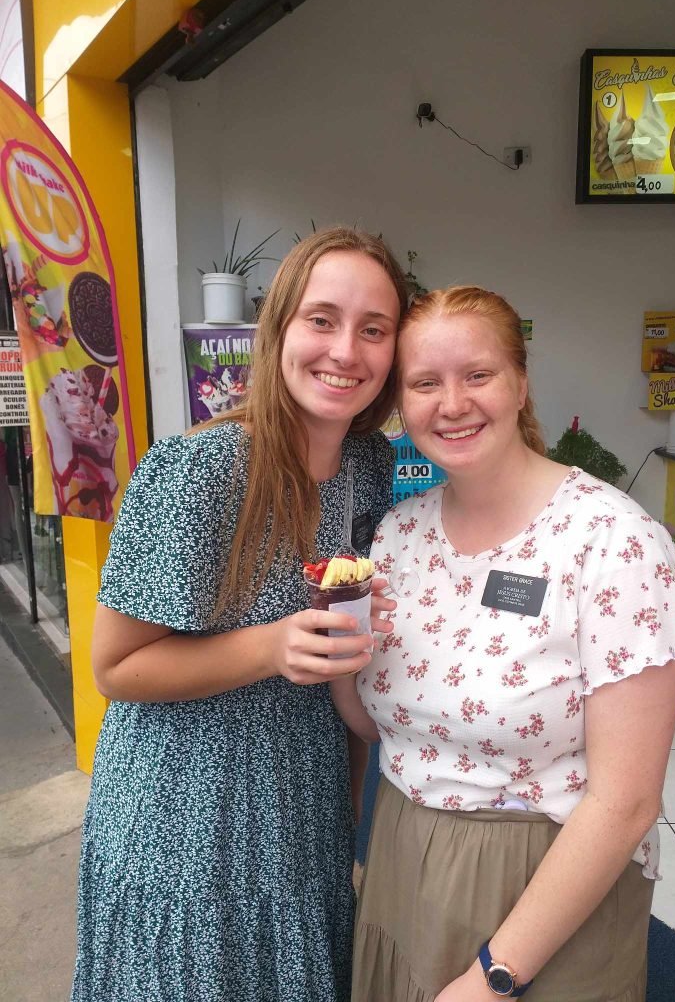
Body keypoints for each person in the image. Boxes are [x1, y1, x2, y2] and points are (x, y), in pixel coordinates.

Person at [332, 286, 675, 1002]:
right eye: (424, 383)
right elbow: (376, 722)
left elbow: (626, 802)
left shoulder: (614, 543)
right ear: (400, 403)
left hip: (545, 885)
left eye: (478, 375)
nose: (452, 403)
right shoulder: (397, 534)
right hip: (403, 853)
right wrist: (340, 652)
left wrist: (494, 976)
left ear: (520, 381)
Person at [71, 227, 407, 1002]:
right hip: (186, 829)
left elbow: (344, 654)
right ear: (278, 329)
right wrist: (270, 647)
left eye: (373, 329)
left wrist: (351, 816)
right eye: (321, 320)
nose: (345, 351)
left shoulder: (368, 466)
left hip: (305, 811)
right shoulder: (199, 471)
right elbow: (115, 667)